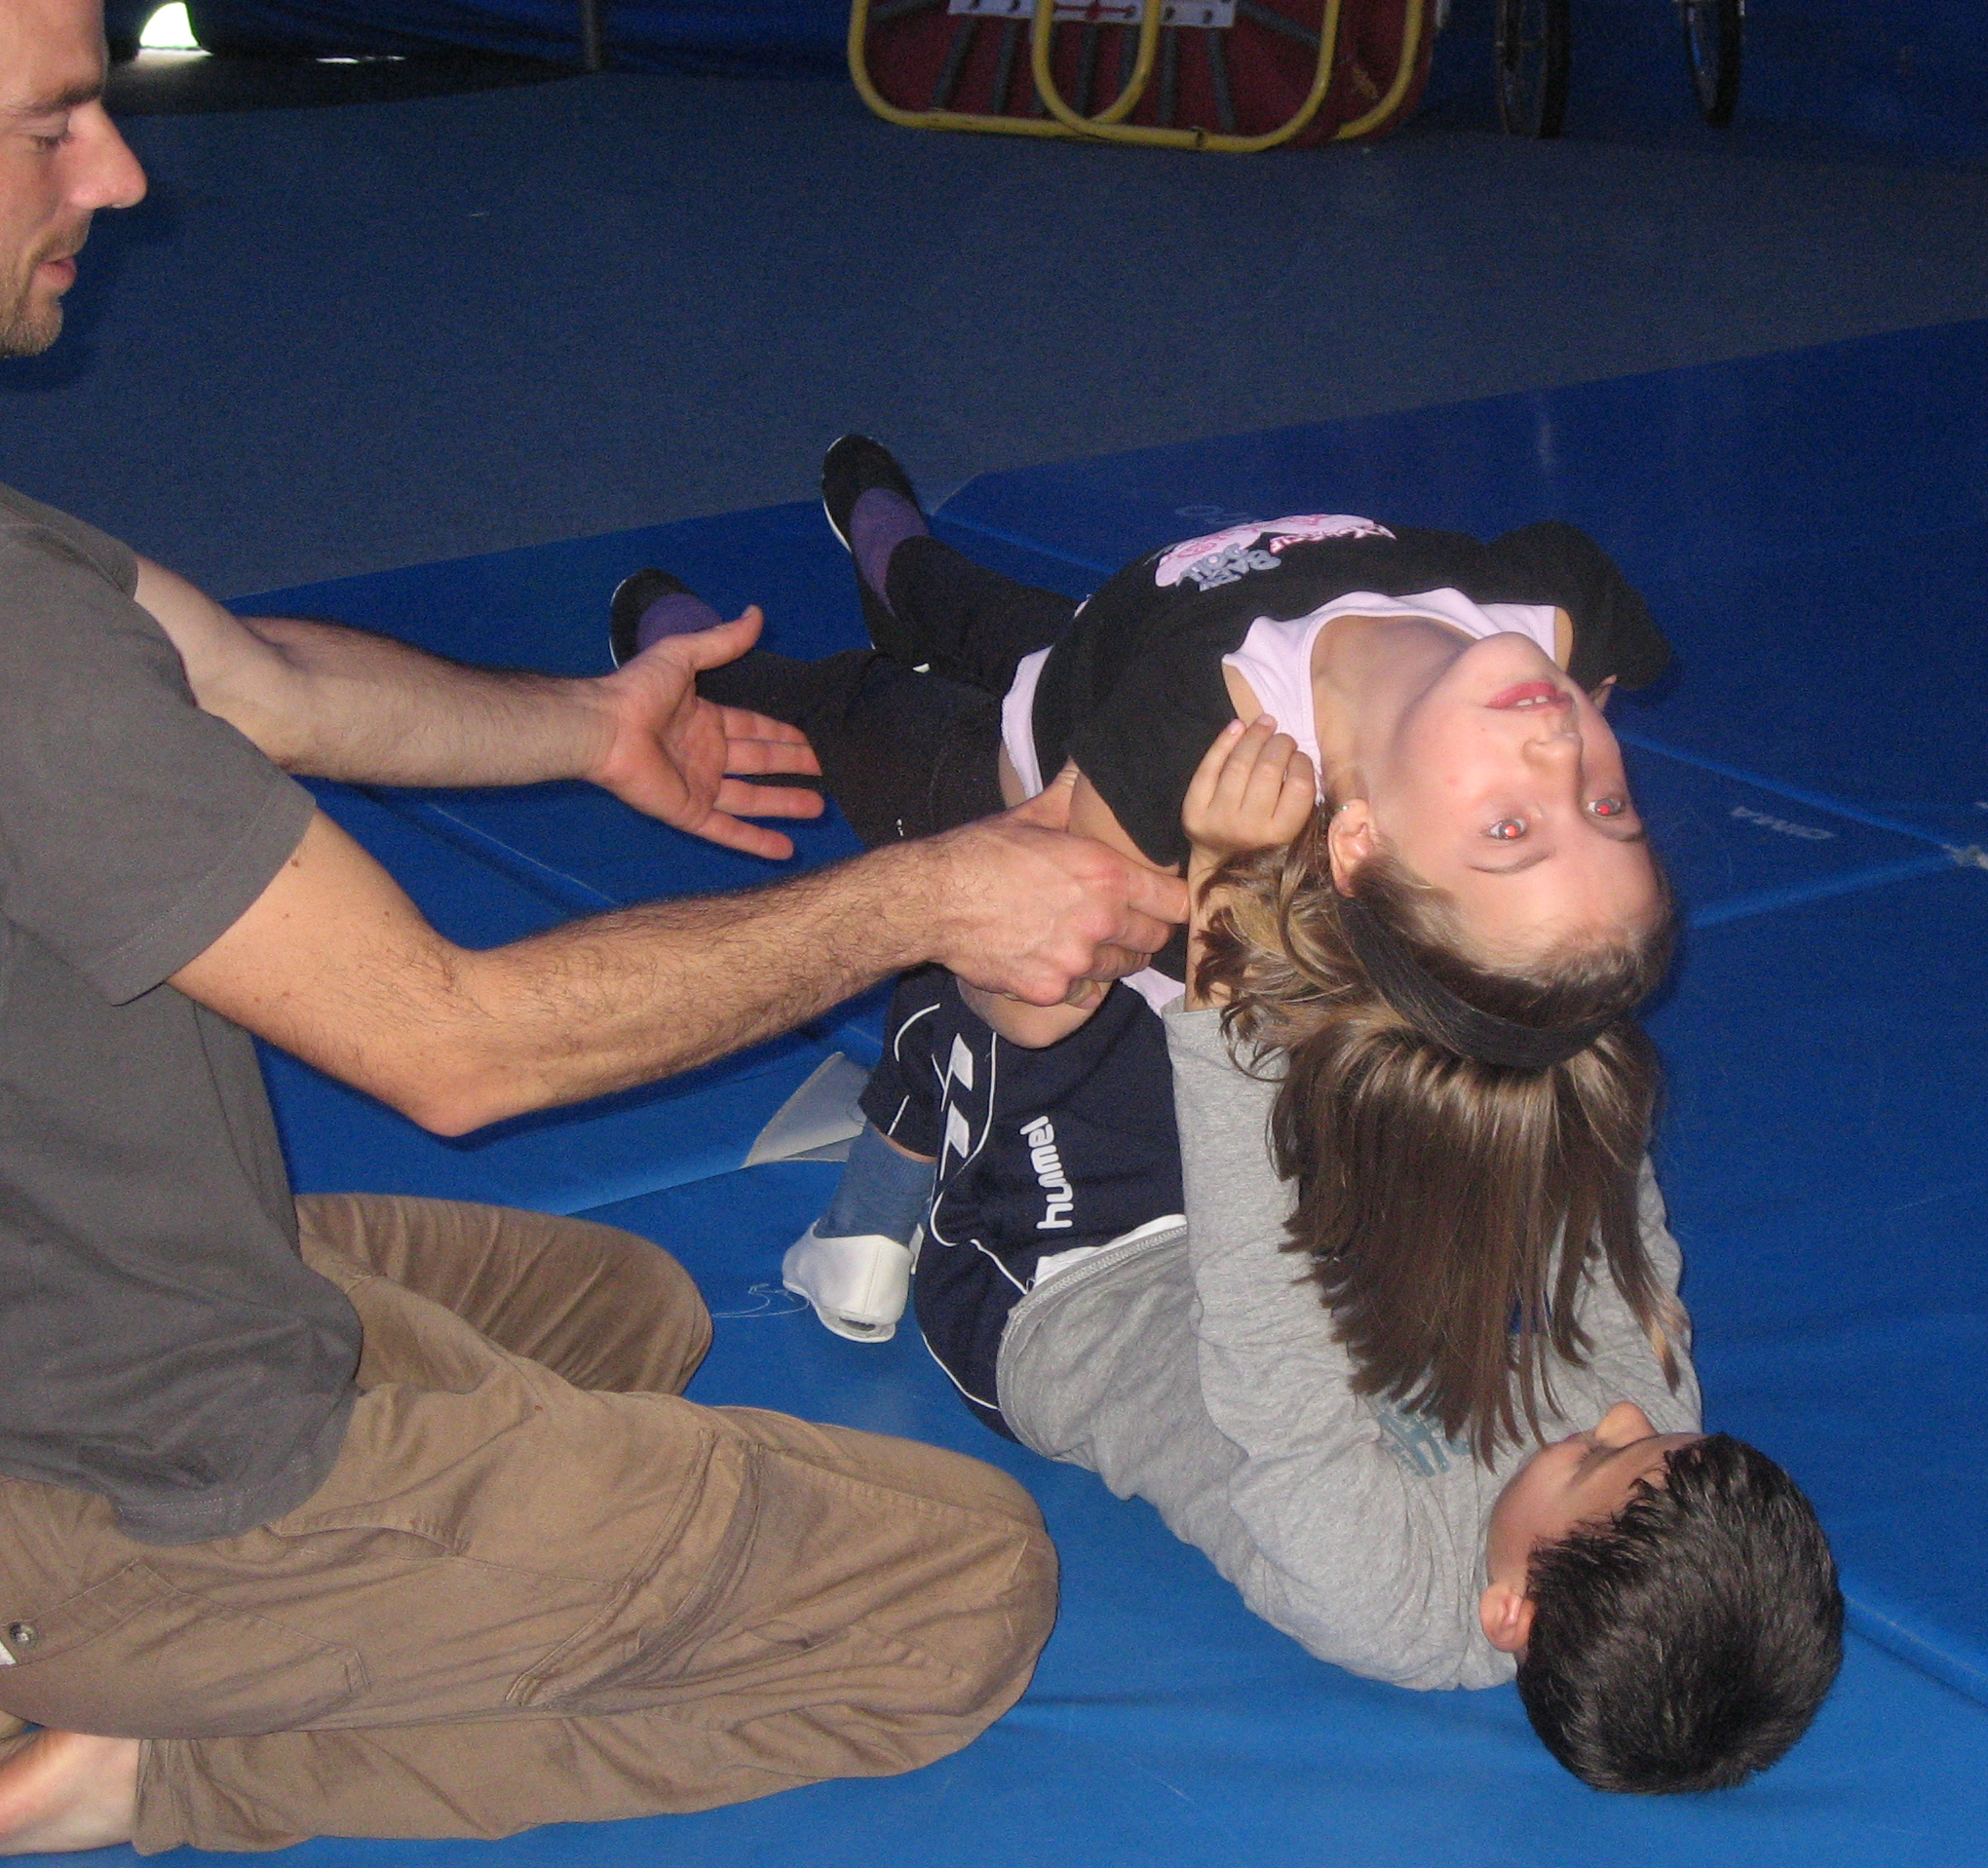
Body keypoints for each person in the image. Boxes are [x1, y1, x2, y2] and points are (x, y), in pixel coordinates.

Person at [0, 0, 1186, 1865]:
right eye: (53, 126)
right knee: (963, 1587)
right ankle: (145, 1752)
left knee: (628, 1312)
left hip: (60, 1304)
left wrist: (590, 726)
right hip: (106, 1476)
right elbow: (450, 1044)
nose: (121, 172)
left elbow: (254, 678)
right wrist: (927, 894)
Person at [824, 719, 1844, 1790]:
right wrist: (1554, 952)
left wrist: (1225, 909)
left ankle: (880, 1186)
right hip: (1313, 1209)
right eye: (1659, 1435)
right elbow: (1597, 1199)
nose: (1627, 1415)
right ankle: (983, 653)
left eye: (1590, 1457)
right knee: (1335, 908)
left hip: (1078, 1280)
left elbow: (1263, 1313)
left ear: (1510, 1612)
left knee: (1049, 938)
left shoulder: (1381, 1592)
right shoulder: (1652, 1462)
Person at [630, 439, 1684, 1463]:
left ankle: (693, 670)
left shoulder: (1205, 734)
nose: (1559, 751)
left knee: (843, 712)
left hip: (1015, 769)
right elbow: (1587, 706)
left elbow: (1031, 1005)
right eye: (1606, 808)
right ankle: (897, 556)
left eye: (1511, 829)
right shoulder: (1565, 601)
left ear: (1361, 839)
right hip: (1099, 637)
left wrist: (979, 917)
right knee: (955, 597)